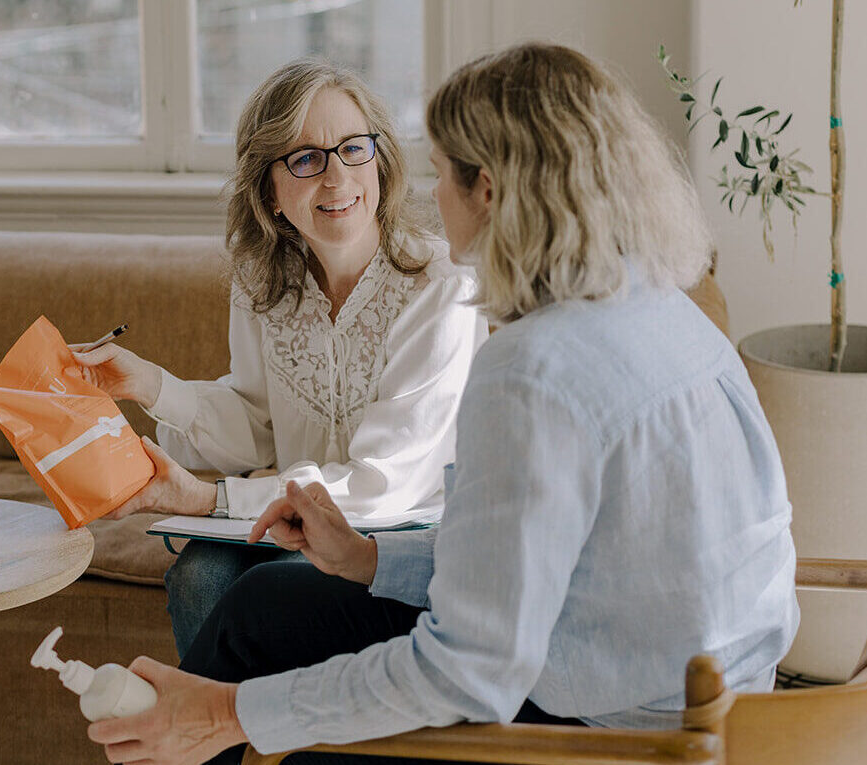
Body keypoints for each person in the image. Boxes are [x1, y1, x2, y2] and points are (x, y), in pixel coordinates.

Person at [85, 43, 800, 765]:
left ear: (484, 191)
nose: (429, 196)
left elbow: (470, 669)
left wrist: (231, 712)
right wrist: (368, 558)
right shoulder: (663, 307)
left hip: (622, 730)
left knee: (296, 742)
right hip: (712, 697)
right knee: (256, 606)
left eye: (440, 173)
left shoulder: (529, 370)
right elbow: (546, 558)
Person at [72, 59, 488, 657]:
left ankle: (233, 737)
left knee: (268, 592)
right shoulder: (262, 281)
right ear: (269, 189)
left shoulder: (441, 286)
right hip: (282, 526)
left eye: (353, 148)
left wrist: (208, 499)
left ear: (382, 158)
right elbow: (260, 429)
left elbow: (386, 482)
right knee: (197, 574)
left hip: (395, 535)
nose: (337, 178)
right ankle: (224, 740)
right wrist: (150, 385)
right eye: (305, 158)